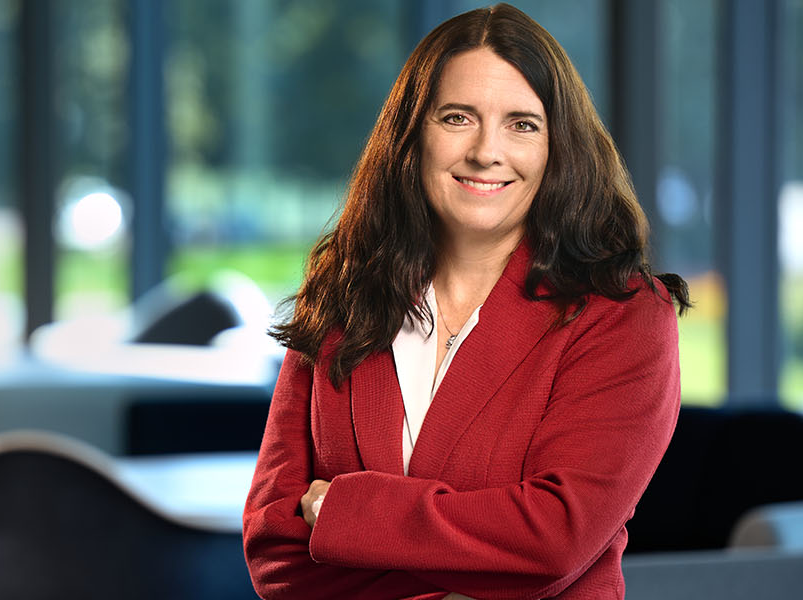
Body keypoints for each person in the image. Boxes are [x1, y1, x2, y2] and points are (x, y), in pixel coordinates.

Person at [242, 4, 691, 599]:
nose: (486, 151)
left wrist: (350, 519)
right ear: (412, 135)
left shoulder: (622, 316)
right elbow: (273, 548)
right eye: (458, 118)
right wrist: (475, 568)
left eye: (522, 124)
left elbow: (555, 539)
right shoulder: (346, 294)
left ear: (558, 147)